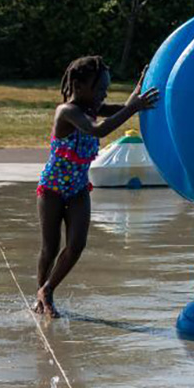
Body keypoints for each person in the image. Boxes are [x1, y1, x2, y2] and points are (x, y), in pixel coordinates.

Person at [33, 56, 159, 318]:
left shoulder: (92, 108)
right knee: (51, 247)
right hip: (52, 190)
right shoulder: (67, 112)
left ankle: (47, 290)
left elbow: (121, 109)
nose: (103, 96)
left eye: (106, 91)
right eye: (99, 90)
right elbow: (98, 131)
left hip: (78, 189)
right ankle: (41, 296)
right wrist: (132, 108)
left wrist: (137, 94)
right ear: (78, 87)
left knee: (77, 244)